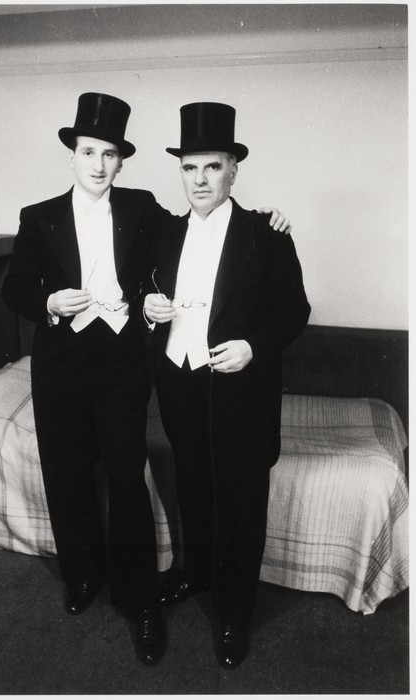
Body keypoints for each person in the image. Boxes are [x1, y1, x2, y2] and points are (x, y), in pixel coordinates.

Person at [1, 92, 291, 667]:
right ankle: (82, 575)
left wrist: (270, 217)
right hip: (60, 368)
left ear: (121, 161)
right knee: (65, 474)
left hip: (120, 366)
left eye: (109, 154)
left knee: (127, 479)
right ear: (72, 155)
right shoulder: (38, 216)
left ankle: (141, 604)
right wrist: (48, 303)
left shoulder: (143, 209)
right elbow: (14, 288)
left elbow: (207, 233)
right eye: (89, 152)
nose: (98, 164)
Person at [144, 101, 311, 670]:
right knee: (192, 483)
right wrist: (149, 311)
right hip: (179, 381)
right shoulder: (164, 233)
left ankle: (236, 612)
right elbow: (145, 293)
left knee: (240, 499)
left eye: (212, 167)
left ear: (233, 171)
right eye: (189, 168)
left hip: (239, 390)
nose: (199, 179)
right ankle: (195, 573)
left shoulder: (266, 232)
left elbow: (295, 309)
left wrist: (253, 347)